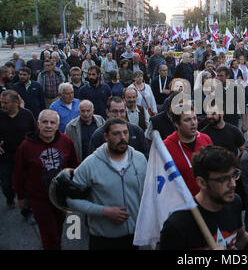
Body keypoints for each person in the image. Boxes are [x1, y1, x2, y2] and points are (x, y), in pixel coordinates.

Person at [67, 118, 147, 250]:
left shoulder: (140, 159)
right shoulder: (90, 164)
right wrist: (104, 211)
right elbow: (71, 200)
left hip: (134, 237)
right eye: (116, 134)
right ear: (106, 137)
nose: (122, 137)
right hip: (103, 239)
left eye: (125, 133)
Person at [160, 145, 248, 250]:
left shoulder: (234, 202)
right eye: (223, 179)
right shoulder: (177, 224)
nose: (233, 184)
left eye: (234, 175)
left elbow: (239, 238)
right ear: (202, 182)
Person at [13, 109, 79, 250]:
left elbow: (75, 165)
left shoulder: (66, 141)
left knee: (58, 230)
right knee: (50, 235)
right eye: (44, 122)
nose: (48, 125)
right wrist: (20, 196)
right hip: (39, 199)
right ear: (38, 124)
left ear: (57, 125)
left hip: (61, 197)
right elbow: (18, 173)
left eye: (52, 122)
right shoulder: (26, 146)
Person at [0, 90, 37, 216]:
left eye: (6, 102)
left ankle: (27, 210)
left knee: (27, 184)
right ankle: (10, 197)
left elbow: (34, 133)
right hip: (5, 157)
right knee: (6, 184)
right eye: (1, 102)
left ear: (15, 102)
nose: (3, 105)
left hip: (25, 156)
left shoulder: (27, 114)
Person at [164, 102, 213, 196]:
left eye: (195, 118)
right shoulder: (166, 146)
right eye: (187, 120)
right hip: (182, 203)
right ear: (176, 124)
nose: (193, 123)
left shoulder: (206, 139)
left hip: (207, 199)